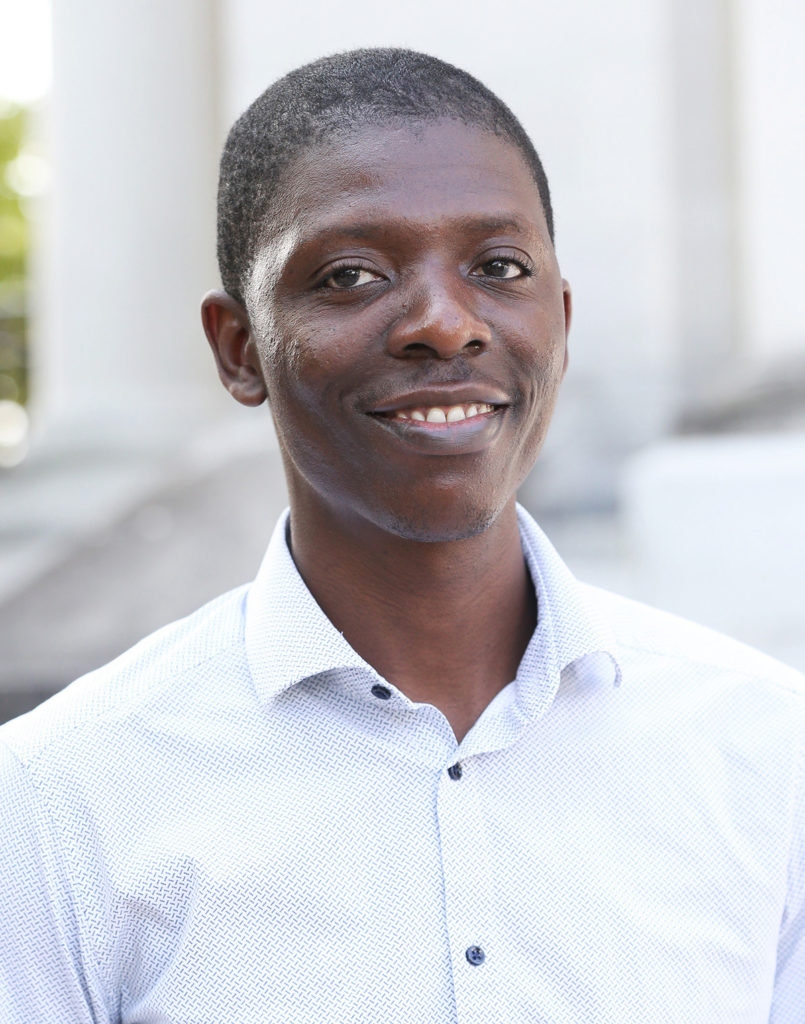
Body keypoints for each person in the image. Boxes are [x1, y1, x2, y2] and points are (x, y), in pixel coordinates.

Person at [1, 48, 803, 1023]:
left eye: (497, 267)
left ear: (559, 315)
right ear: (237, 348)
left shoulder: (768, 751)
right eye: (351, 275)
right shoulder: (59, 799)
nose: (443, 323)